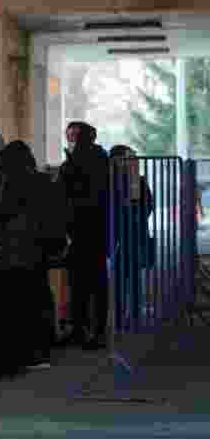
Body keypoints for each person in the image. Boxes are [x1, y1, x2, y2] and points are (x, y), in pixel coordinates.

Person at [0, 140, 48, 380]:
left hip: (4, 254)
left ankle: (2, 362)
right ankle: (30, 354)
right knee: (28, 306)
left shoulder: (0, 180)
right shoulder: (38, 180)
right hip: (32, 253)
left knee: (2, 309)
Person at [58, 121, 110, 349]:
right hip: (89, 228)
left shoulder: (84, 159)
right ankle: (86, 329)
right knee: (85, 282)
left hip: (85, 228)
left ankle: (88, 330)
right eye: (68, 135)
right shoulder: (99, 158)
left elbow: (67, 188)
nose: (69, 139)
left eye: (73, 136)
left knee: (87, 283)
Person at [108, 144, 154, 327]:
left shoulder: (137, 181)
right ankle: (124, 317)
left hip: (129, 236)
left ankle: (131, 316)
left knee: (129, 277)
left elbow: (148, 206)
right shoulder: (112, 181)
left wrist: (133, 215)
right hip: (124, 236)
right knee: (123, 278)